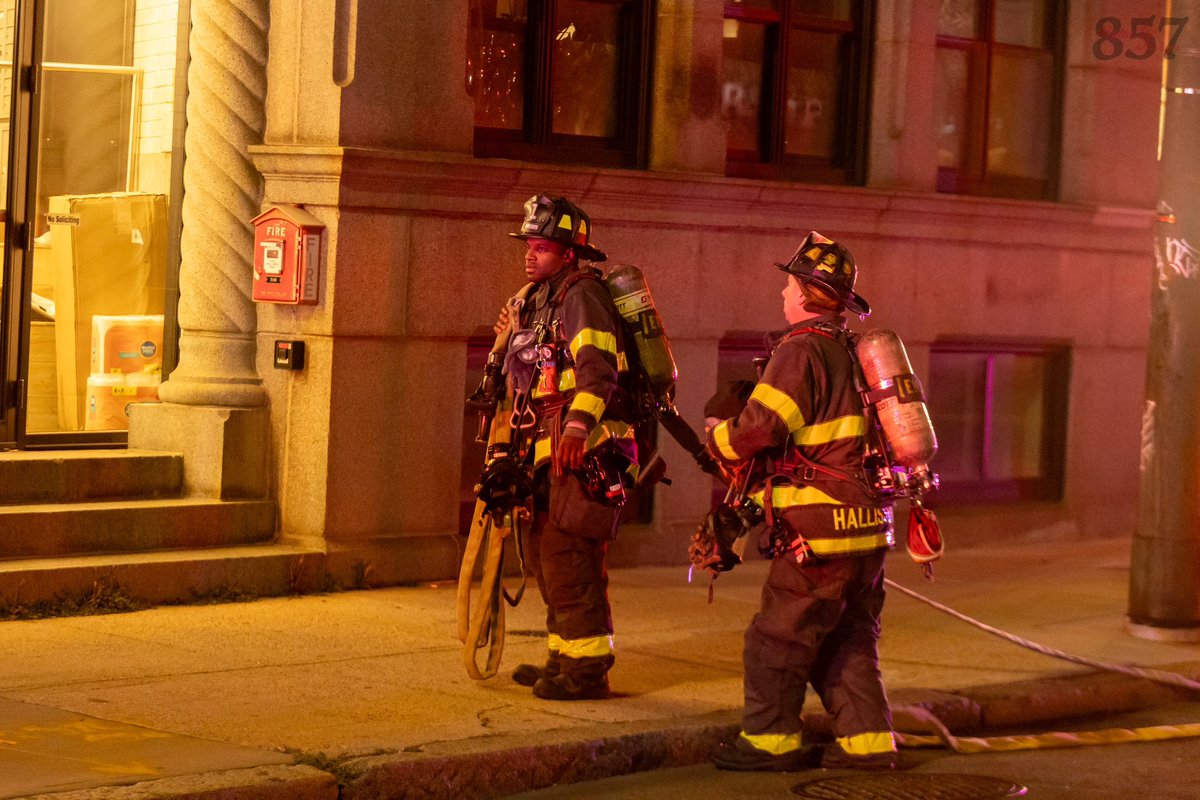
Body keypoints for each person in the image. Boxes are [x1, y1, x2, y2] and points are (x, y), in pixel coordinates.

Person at [700, 232, 898, 771]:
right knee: (848, 640)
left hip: (819, 531)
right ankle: (869, 747)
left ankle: (769, 743)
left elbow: (761, 427)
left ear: (810, 293)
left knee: (776, 639)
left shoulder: (801, 349)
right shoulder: (853, 353)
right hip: (868, 529)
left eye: (789, 284)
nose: (783, 294)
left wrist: (716, 437)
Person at [491, 194, 638, 701]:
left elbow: (599, 370)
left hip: (587, 450)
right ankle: (564, 656)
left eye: (543, 246)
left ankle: (586, 670)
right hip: (551, 450)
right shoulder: (543, 298)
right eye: (529, 244)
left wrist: (576, 429)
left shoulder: (581, 296)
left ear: (569, 252)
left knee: (570, 557)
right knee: (550, 557)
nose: (530, 255)